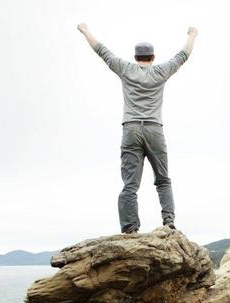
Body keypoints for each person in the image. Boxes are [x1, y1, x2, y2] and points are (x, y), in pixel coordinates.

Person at [77, 23, 198, 234]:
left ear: (136, 57)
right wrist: (192, 35)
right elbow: (183, 54)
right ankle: (168, 222)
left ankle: (130, 229)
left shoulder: (126, 69)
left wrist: (85, 30)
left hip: (131, 129)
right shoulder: (161, 71)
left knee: (130, 184)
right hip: (154, 130)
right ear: (152, 57)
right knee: (162, 179)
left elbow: (102, 51)